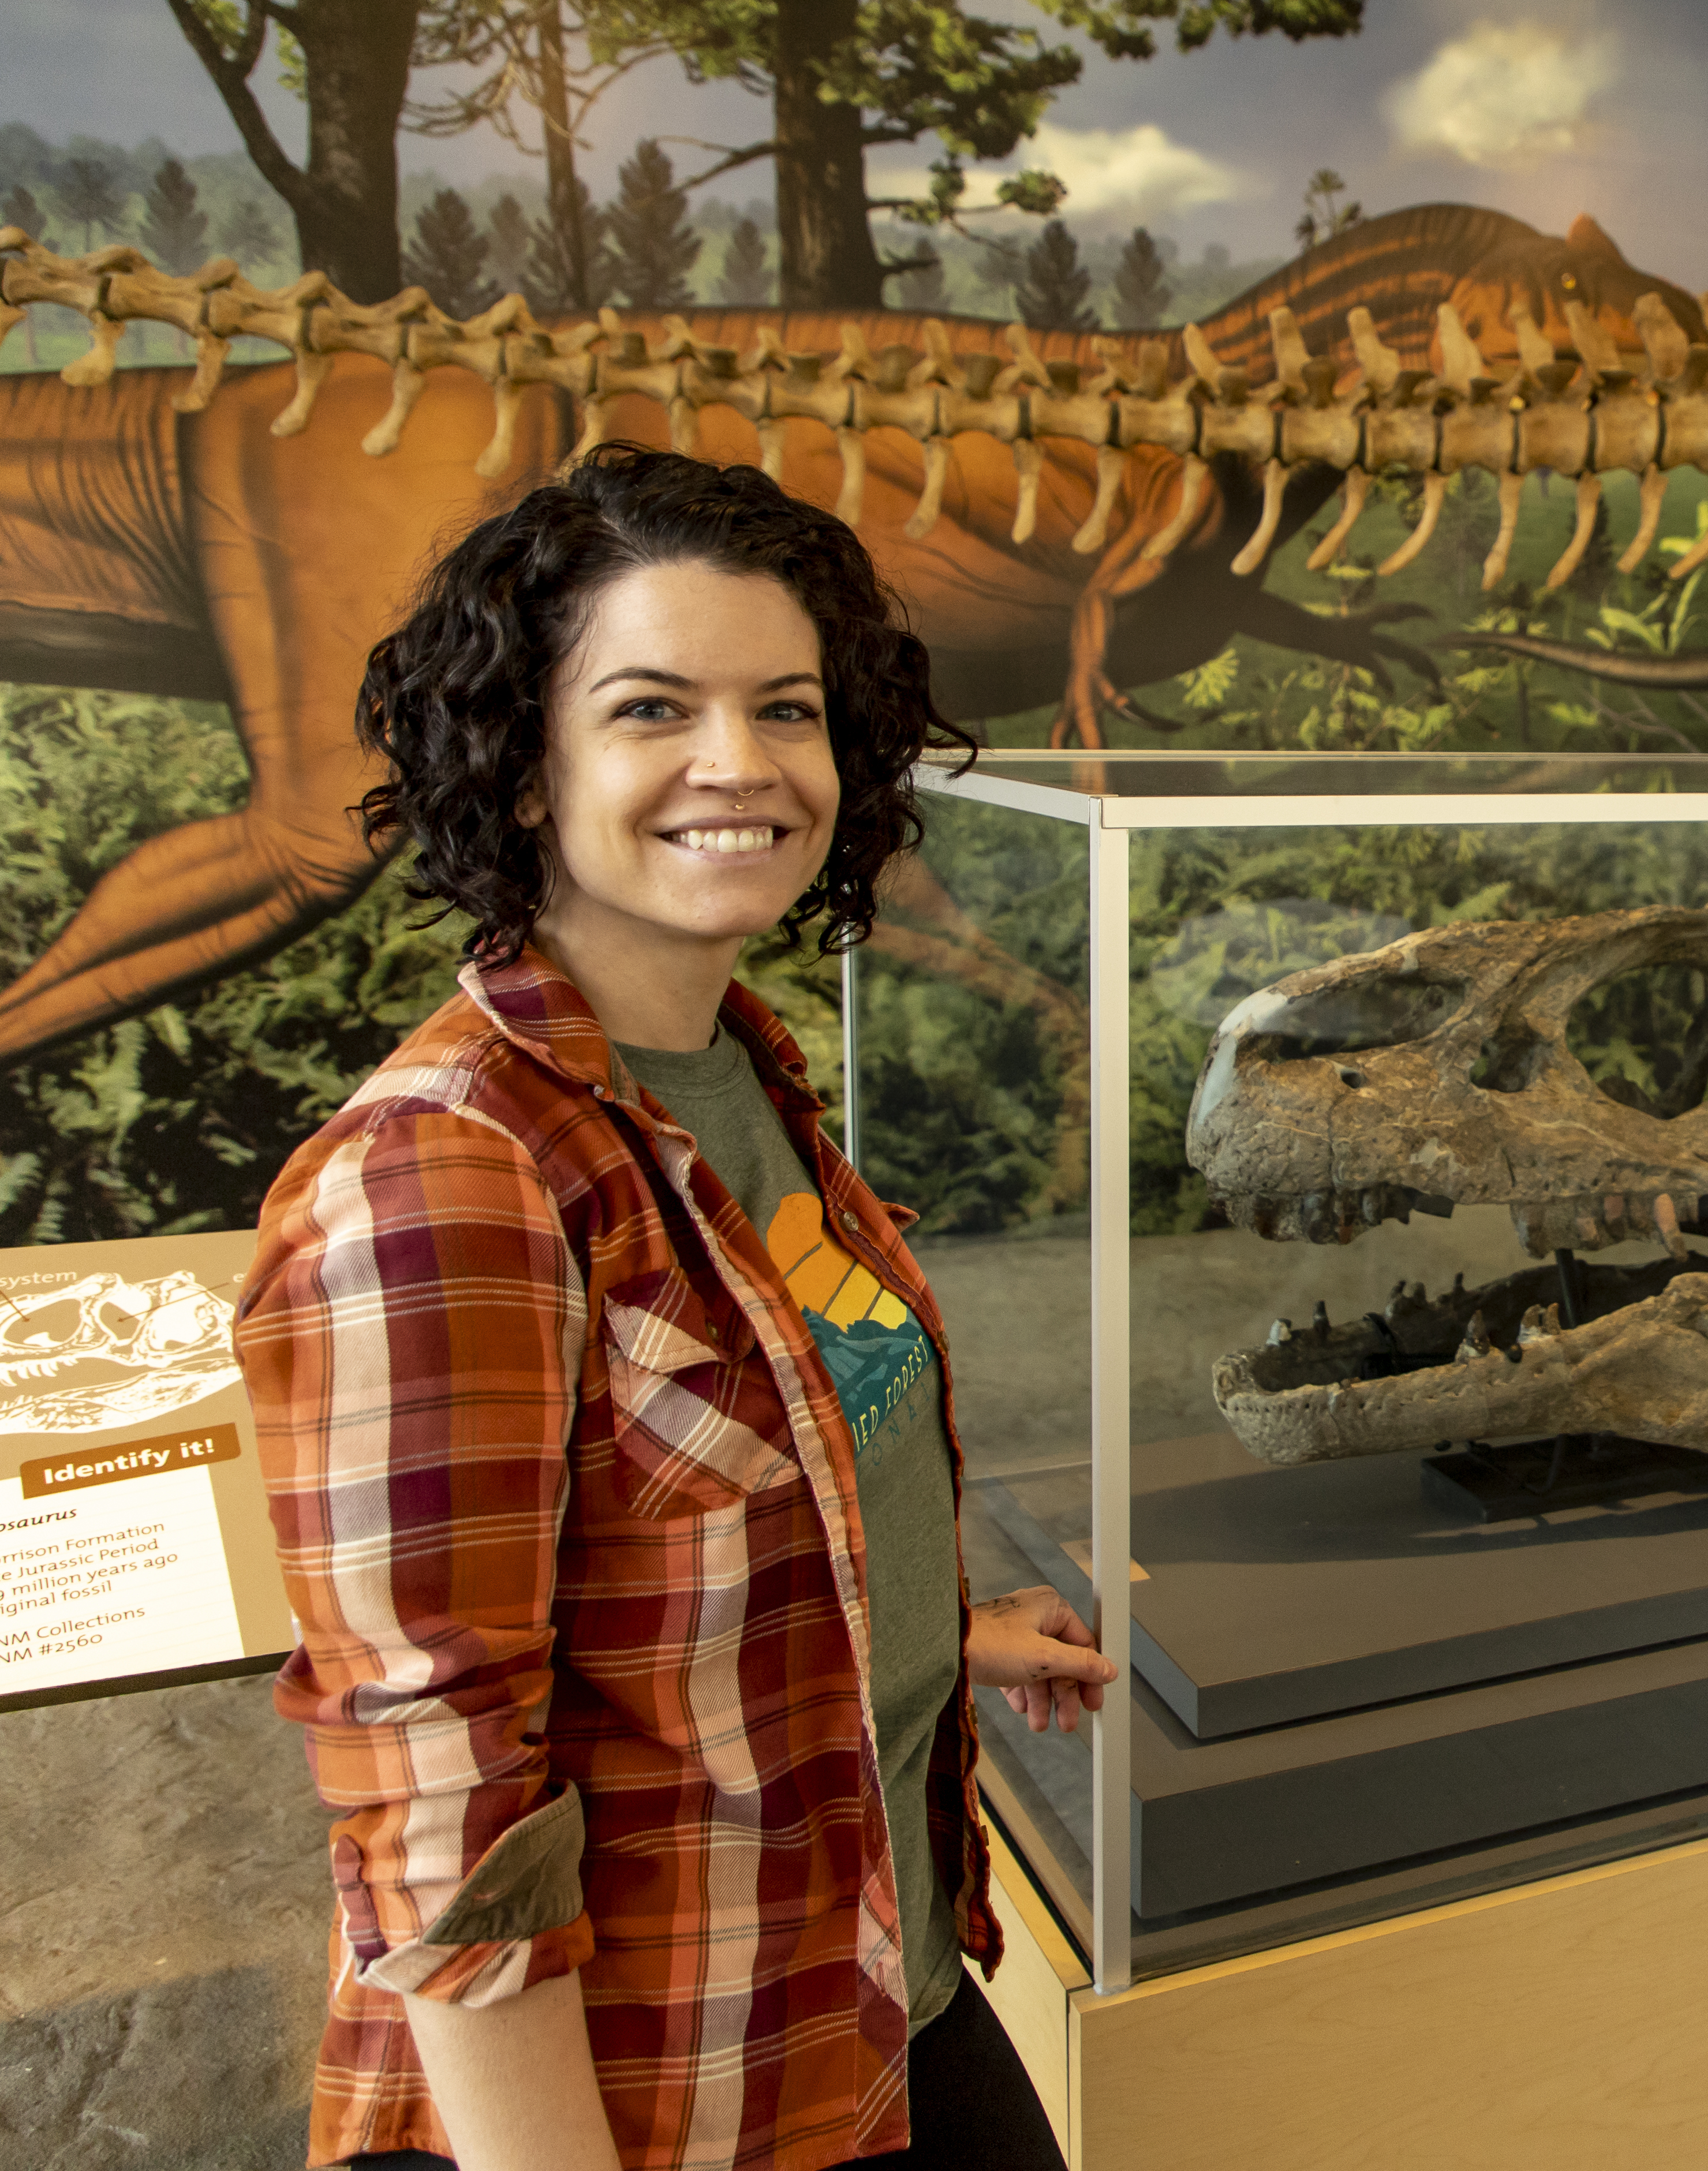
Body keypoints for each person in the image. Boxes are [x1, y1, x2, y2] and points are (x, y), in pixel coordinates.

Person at [234, 445, 1121, 2171]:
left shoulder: (739, 1075)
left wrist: (935, 1630)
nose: (741, 764)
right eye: (652, 707)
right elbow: (440, 1814)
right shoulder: (444, 1179)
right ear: (520, 762)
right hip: (659, 2091)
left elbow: (742, 1460)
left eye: (785, 708)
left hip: (872, 1988)